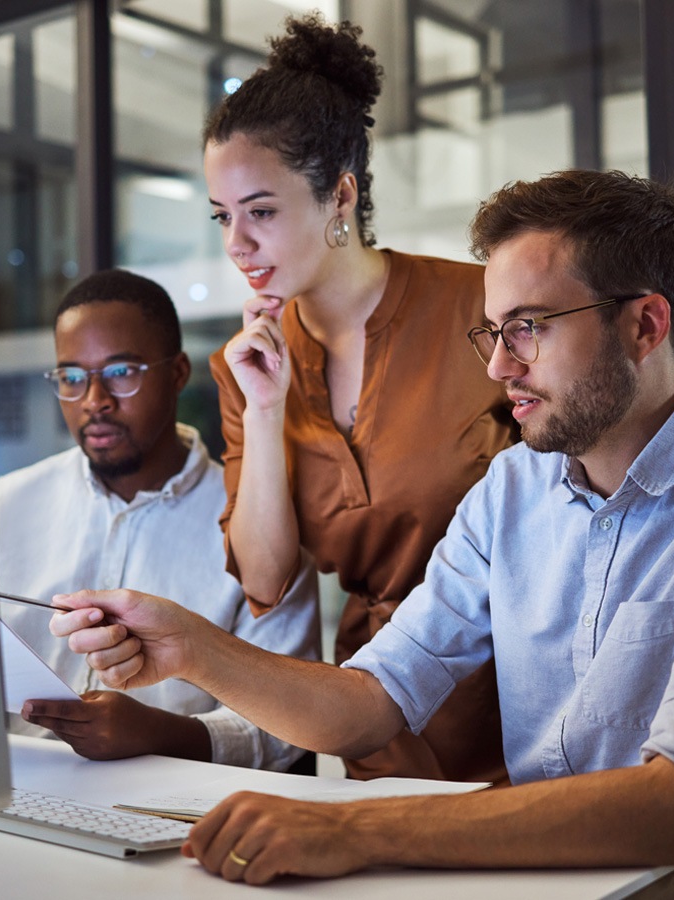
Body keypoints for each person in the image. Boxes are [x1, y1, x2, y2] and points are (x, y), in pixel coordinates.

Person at [49, 170, 674, 895]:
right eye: (494, 331)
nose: (500, 366)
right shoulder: (510, 492)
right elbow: (368, 702)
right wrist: (191, 646)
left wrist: (356, 831)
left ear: (644, 326)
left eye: (530, 328)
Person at [205, 12, 517, 782]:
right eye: (222, 217)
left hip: (518, 698)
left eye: (262, 212)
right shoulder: (246, 367)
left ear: (339, 195)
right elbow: (267, 581)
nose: (236, 245)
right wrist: (269, 406)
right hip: (372, 715)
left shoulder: (480, 306)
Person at [0, 269, 320, 771]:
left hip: (175, 811)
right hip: (14, 790)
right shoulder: (7, 505)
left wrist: (160, 734)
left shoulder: (257, 526)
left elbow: (289, 730)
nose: (94, 401)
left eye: (121, 372)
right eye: (72, 378)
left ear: (178, 373)